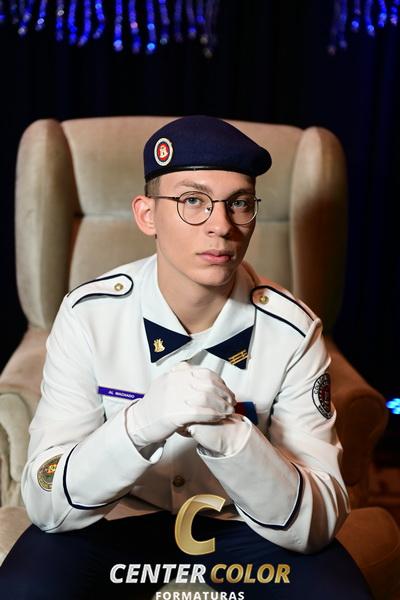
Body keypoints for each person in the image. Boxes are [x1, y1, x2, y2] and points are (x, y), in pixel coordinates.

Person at [0, 115, 372, 599]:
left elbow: (319, 518)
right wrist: (140, 424)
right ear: (147, 215)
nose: (221, 226)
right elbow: (46, 498)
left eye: (239, 203)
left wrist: (232, 437)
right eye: (193, 201)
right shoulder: (89, 314)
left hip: (243, 525)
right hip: (116, 519)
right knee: (23, 589)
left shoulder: (293, 331)